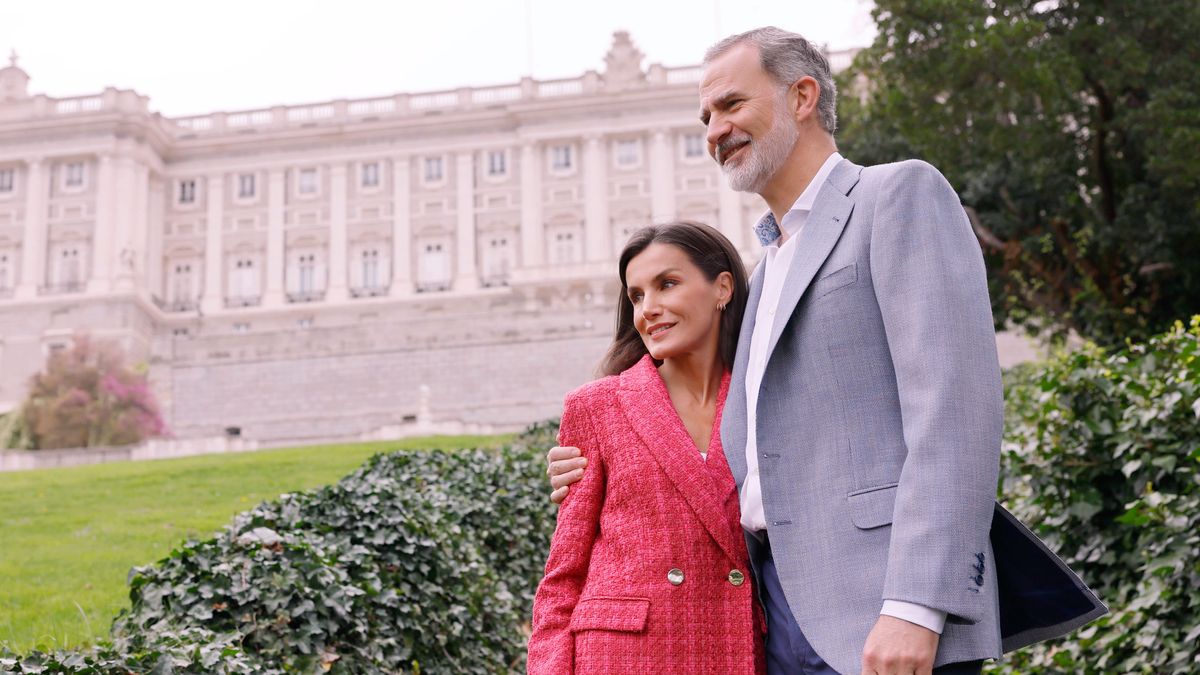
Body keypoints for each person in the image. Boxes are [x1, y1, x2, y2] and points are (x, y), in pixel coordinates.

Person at [546, 26, 1107, 675]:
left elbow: (954, 413)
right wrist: (590, 464)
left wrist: (916, 604)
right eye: (705, 116)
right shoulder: (766, 265)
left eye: (731, 104)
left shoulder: (896, 196)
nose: (714, 129)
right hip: (778, 614)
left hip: (881, 608)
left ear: (803, 96)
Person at [527, 221, 765, 674]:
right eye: (636, 296)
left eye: (667, 285)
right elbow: (563, 576)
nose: (648, 309)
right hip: (623, 656)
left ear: (723, 288)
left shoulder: (765, 399)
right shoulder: (596, 406)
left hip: (738, 645)